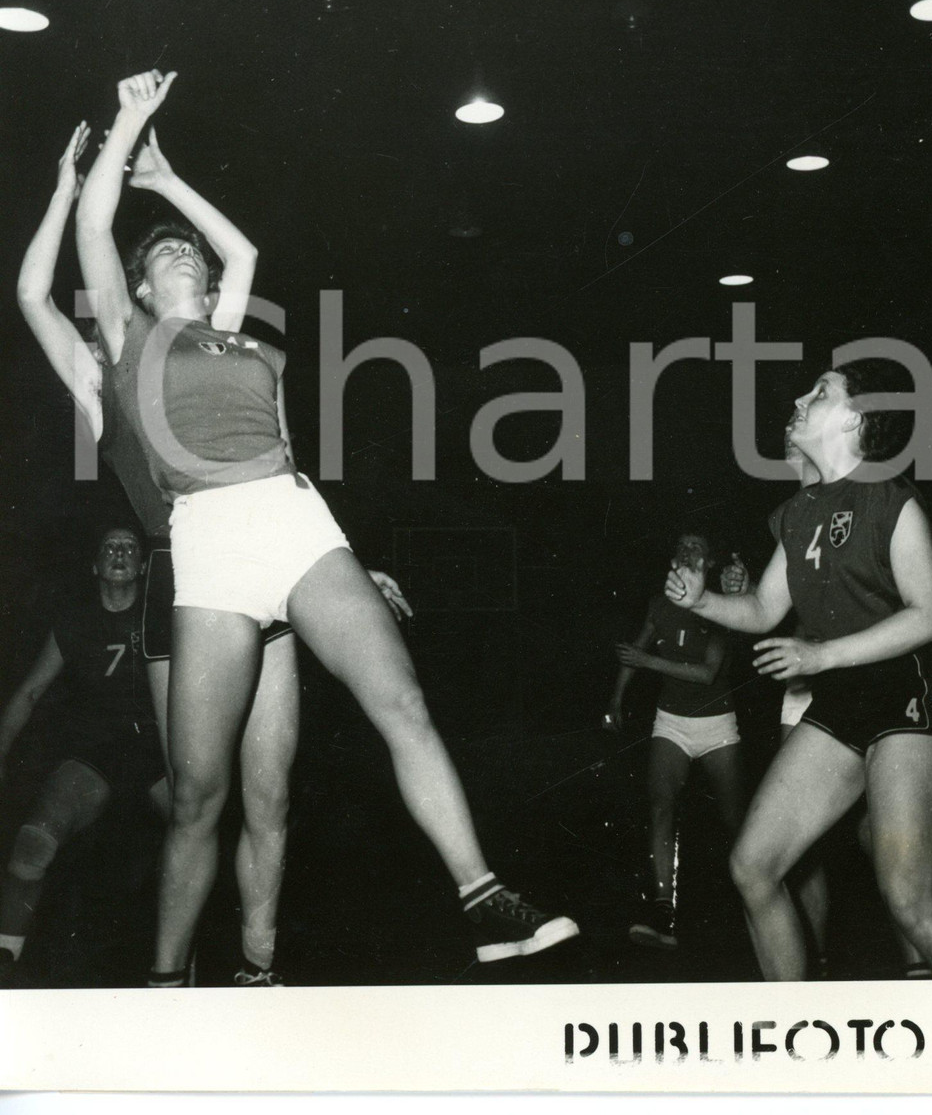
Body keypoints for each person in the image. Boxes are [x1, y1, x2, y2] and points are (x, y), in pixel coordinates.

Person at [75, 69, 579, 984]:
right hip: (212, 543)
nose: (184, 252)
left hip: (295, 519)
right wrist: (128, 128)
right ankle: (165, 978)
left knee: (402, 701)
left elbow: (245, 253)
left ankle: (484, 896)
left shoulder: (238, 336)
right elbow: (91, 225)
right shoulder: (132, 338)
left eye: (189, 251)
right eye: (164, 254)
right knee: (198, 797)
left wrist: (171, 183)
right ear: (138, 290)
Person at [17, 117, 414, 986]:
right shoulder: (101, 377)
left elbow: (241, 281)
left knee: (271, 794)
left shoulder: (201, 348)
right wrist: (62, 189)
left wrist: (343, 567)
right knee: (196, 800)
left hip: (267, 554)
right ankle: (173, 977)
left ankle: (257, 969)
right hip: (186, 578)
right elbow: (34, 294)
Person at [665, 362, 932, 980]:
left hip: (905, 696)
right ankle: (795, 1024)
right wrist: (701, 602)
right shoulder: (801, 510)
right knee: (753, 867)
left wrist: (822, 655)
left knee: (907, 897)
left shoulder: (891, 498)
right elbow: (762, 608)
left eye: (821, 392)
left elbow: (928, 616)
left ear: (855, 419)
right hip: (841, 702)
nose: (801, 399)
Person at [0, 524, 167, 982]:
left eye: (129, 546)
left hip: (159, 748)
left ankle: (180, 970)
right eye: (110, 546)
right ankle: (5, 963)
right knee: (33, 844)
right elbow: (30, 692)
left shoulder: (164, 618)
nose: (120, 552)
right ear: (95, 566)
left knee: (200, 835)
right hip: (96, 749)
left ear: (143, 565)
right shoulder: (75, 621)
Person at [607, 532, 747, 950]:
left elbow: (708, 672)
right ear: (673, 560)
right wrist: (616, 699)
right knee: (660, 806)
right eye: (682, 547)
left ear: (709, 562)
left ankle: (756, 896)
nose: (688, 551)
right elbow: (635, 651)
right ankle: (663, 910)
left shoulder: (719, 605)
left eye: (698, 547)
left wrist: (648, 661)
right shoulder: (659, 604)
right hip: (671, 722)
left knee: (736, 819)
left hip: (717, 726)